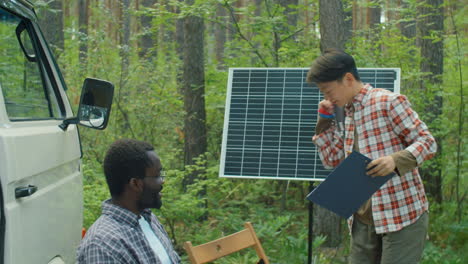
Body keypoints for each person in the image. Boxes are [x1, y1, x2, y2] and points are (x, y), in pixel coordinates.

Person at [307, 49, 436, 264]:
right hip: (362, 220)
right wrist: (324, 121)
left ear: (348, 79)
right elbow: (331, 160)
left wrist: (396, 160)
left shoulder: (388, 102)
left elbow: (428, 142)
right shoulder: (344, 113)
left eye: (328, 91)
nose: (326, 98)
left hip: (401, 216)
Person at [77, 139, 181, 264]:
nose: (163, 181)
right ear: (136, 184)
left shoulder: (149, 219)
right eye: (158, 175)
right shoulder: (103, 246)